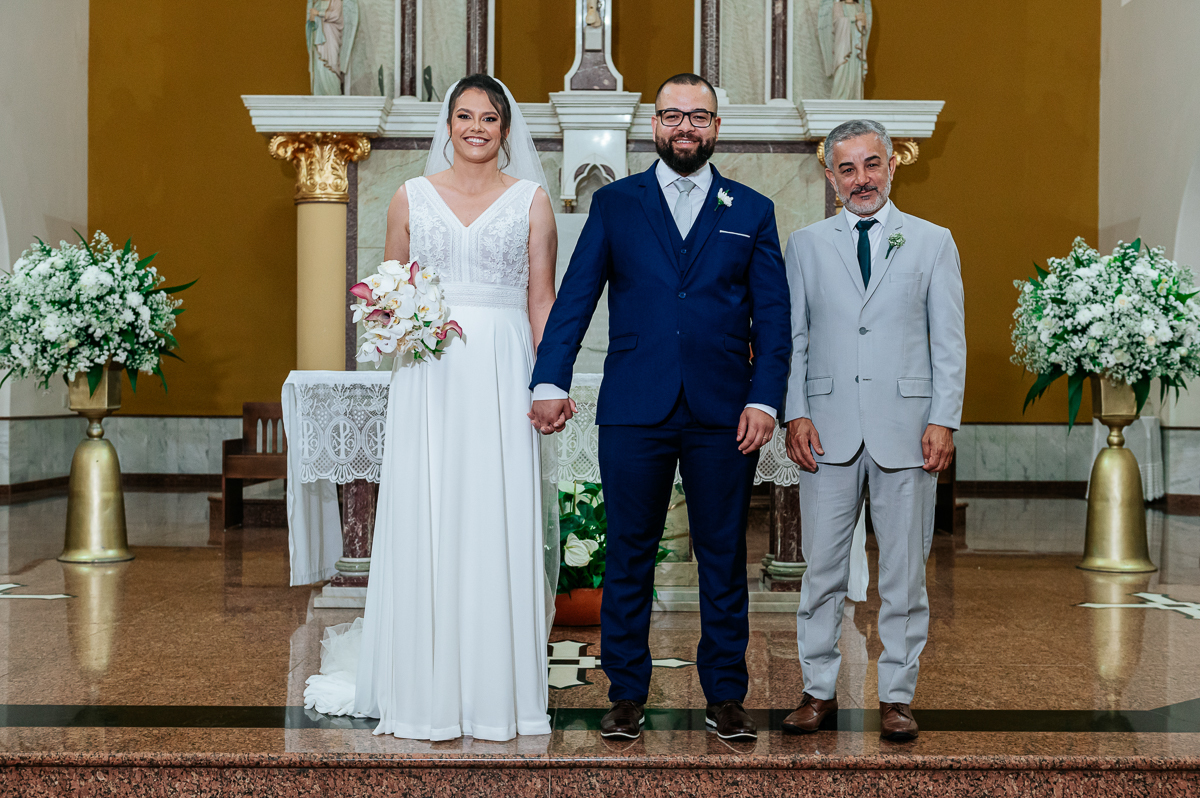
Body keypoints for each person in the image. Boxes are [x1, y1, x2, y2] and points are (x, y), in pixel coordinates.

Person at [529, 73, 791, 741]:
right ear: (654, 126)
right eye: (673, 116)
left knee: (723, 554)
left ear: (715, 128)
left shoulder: (752, 210)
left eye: (698, 117)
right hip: (634, 408)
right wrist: (549, 379)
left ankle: (726, 695)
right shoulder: (616, 204)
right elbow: (576, 297)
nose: (685, 128)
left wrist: (765, 398)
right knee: (629, 556)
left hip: (723, 412)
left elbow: (775, 320)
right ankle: (624, 693)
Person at [303, 74, 561, 742]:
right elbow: (389, 287)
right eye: (466, 116)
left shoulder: (532, 201)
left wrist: (549, 379)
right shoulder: (409, 197)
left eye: (491, 118)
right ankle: (421, 687)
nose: (478, 127)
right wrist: (390, 322)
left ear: (506, 130)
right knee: (430, 510)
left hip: (504, 369)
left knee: (493, 513)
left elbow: (541, 301)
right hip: (432, 371)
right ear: (447, 124)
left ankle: (494, 688)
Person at [781, 119, 965, 741]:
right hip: (826, 431)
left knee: (904, 573)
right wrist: (795, 411)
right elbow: (793, 340)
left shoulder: (933, 242)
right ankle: (816, 689)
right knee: (822, 570)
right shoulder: (805, 244)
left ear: (892, 165)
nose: (861, 179)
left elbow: (949, 342)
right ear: (831, 178)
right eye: (847, 169)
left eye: (871, 164)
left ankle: (896, 696)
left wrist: (943, 417)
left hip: (909, 431)